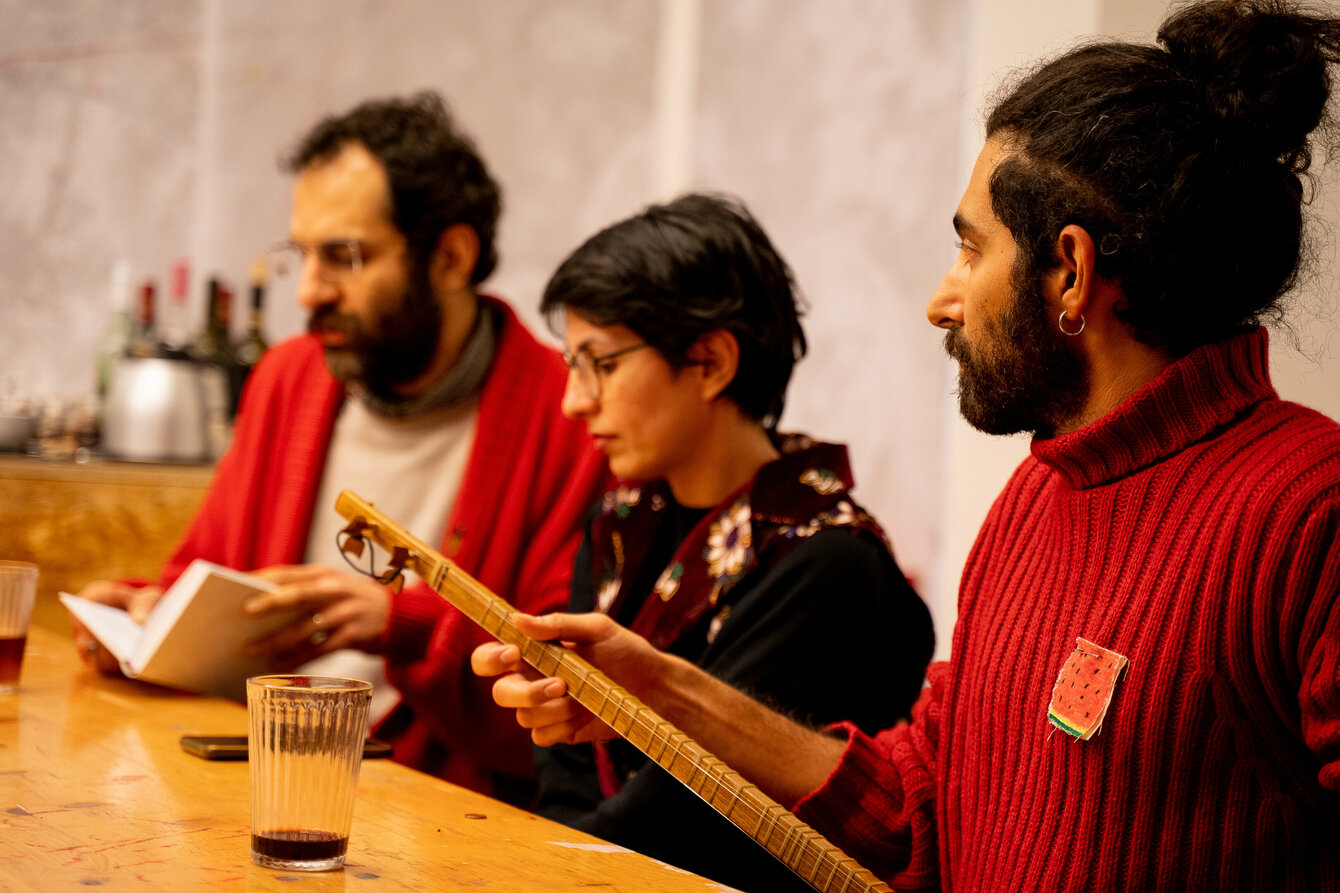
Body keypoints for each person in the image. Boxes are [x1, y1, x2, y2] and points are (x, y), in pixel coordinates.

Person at [473, 2, 1340, 889]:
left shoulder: (1312, 507)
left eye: (971, 250)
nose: (942, 298)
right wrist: (657, 688)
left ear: (1070, 272)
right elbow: (913, 805)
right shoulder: (1035, 500)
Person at [71, 92, 610, 804]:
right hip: (252, 786)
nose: (311, 289)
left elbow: (561, 712)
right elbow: (206, 580)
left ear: (451, 256)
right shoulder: (288, 378)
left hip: (441, 820)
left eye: (345, 256)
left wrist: (400, 623)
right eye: (301, 256)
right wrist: (143, 617)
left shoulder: (566, 415)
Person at [507, 193, 932, 892]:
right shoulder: (619, 520)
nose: (574, 400)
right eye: (571, 364)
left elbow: (689, 813)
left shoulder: (831, 560)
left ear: (710, 362)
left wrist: (541, 872)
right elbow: (564, 767)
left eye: (601, 364)